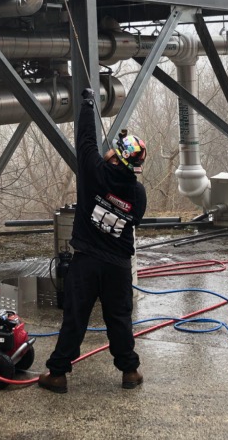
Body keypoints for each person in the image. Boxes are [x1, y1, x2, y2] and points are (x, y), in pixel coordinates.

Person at [38, 87, 147, 393]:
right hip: (117, 267)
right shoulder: (137, 193)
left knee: (75, 318)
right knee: (119, 319)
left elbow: (85, 139)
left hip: (86, 262)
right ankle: (130, 372)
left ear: (116, 157)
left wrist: (87, 103)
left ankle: (57, 375)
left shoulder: (93, 172)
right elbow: (133, 220)